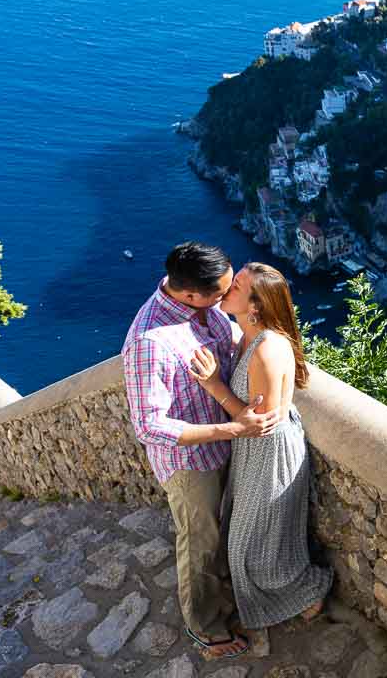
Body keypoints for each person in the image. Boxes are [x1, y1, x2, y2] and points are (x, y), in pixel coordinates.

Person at [122, 242, 278, 660]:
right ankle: (205, 628)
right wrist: (233, 426)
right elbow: (149, 426)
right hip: (190, 463)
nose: (229, 298)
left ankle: (227, 594)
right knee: (200, 543)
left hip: (226, 442)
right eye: (222, 292)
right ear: (191, 295)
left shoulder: (204, 309)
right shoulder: (150, 342)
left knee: (220, 531)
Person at [188, 261, 333, 630]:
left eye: (236, 287)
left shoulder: (266, 349)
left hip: (269, 453)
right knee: (257, 538)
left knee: (251, 545)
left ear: (254, 306)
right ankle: (289, 596)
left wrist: (213, 385)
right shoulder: (250, 338)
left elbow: (260, 424)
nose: (226, 290)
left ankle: (307, 596)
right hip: (256, 454)